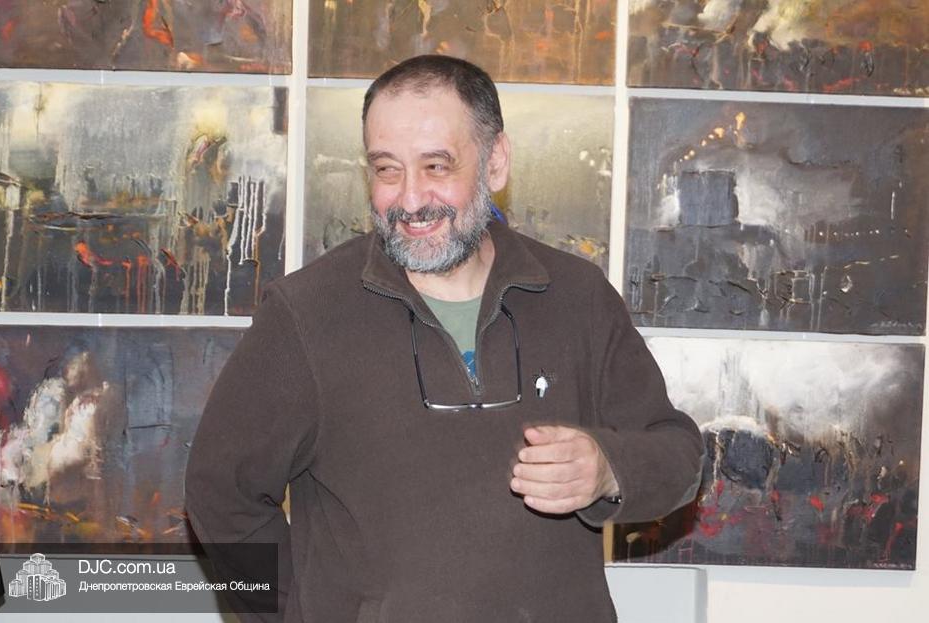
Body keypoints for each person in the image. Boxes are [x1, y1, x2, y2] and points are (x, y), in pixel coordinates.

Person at [185, 54, 704, 623]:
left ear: (495, 162)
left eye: (436, 166)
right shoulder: (305, 314)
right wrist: (293, 614)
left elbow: (678, 455)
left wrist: (607, 468)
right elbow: (220, 494)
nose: (410, 200)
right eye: (387, 170)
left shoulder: (578, 296)